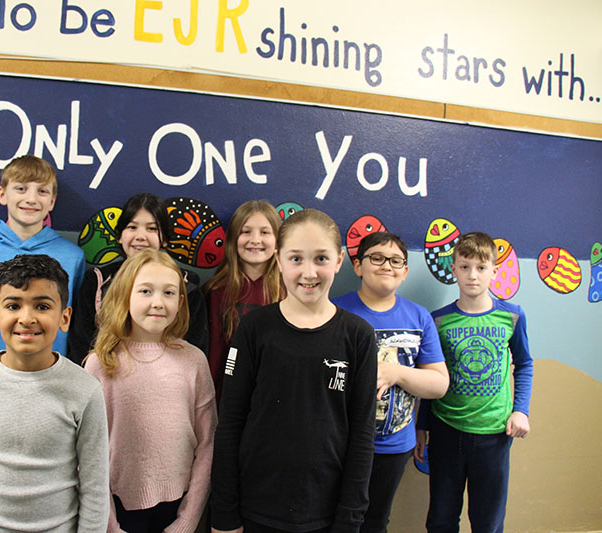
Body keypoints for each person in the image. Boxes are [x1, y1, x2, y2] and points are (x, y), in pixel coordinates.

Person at [210, 209, 377, 533]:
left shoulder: (358, 336)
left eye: (321, 258)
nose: (309, 272)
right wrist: (224, 514)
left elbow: (361, 437)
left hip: (326, 515)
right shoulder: (254, 329)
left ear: (339, 260)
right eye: (296, 258)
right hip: (254, 509)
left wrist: (349, 520)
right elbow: (230, 423)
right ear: (279, 259)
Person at [0, 254, 109, 532]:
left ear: (64, 318)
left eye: (42, 306)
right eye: (13, 305)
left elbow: (95, 488)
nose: (26, 319)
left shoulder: (85, 389)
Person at [84, 249, 217, 533]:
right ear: (124, 295)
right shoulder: (101, 363)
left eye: (169, 293)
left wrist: (188, 518)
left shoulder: (194, 361)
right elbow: (88, 454)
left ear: (181, 302)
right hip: (117, 510)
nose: (158, 302)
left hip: (177, 505)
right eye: (145, 291)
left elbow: (207, 443)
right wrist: (109, 524)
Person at [415, 232, 533, 533]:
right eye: (465, 267)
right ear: (453, 269)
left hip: (494, 433)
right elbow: (432, 374)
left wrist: (521, 410)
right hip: (446, 430)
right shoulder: (438, 321)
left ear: (495, 271)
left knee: (487, 521)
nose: (472, 275)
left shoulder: (512, 316)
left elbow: (525, 364)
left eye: (481, 267)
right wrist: (422, 426)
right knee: (441, 517)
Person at [333, 232, 448, 533]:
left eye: (396, 260)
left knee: (375, 522)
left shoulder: (418, 317)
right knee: (336, 519)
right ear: (358, 266)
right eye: (377, 258)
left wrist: (396, 373)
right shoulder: (334, 312)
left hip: (392, 446)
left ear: (405, 271)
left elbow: (438, 384)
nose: (387, 265)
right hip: (338, 444)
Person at [0, 154, 85, 359]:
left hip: (50, 370)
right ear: (2, 194)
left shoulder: (72, 257)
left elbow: (75, 326)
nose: (31, 199)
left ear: (52, 201)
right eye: (21, 188)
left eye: (42, 191)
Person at [69, 193, 208, 364]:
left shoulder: (187, 285)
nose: (141, 236)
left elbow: (195, 345)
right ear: (120, 236)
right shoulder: (97, 281)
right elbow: (80, 346)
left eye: (152, 229)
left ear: (164, 238)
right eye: (132, 227)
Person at [205, 200, 284, 405]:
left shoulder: (290, 291)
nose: (255, 239)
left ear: (278, 240)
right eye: (245, 231)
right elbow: (214, 354)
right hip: (228, 399)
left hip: (277, 398)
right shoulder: (216, 292)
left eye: (265, 232)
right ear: (233, 239)